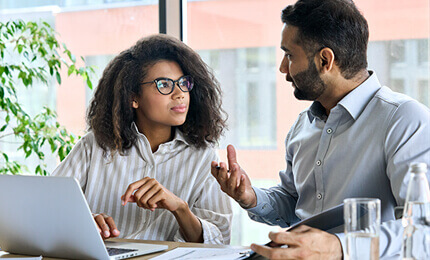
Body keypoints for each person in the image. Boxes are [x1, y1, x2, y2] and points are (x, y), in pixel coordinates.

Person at [211, 0, 430, 258]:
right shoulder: (303, 126)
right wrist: (251, 197)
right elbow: (295, 204)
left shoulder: (404, 120)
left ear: (325, 60)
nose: (283, 68)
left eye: (290, 55)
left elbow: (422, 231)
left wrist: (338, 247)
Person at [52, 34, 232, 244]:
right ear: (133, 98)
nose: (180, 93)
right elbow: (47, 207)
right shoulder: (94, 146)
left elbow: (220, 241)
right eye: (164, 84)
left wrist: (180, 208)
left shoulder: (203, 156)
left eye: (184, 83)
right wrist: (84, 221)